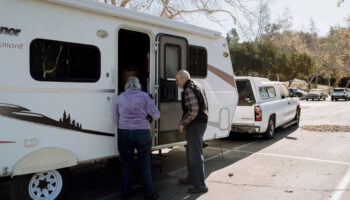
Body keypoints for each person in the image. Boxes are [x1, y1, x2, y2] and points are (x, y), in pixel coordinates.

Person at [115, 76, 160, 200]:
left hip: (124, 133)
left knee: (126, 164)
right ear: (138, 85)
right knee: (145, 164)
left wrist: (125, 125)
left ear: (126, 85)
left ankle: (126, 193)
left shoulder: (120, 97)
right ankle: (149, 194)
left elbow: (116, 120)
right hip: (142, 132)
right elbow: (156, 115)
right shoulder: (144, 96)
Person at [175, 70, 209, 193]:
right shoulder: (197, 84)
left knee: (195, 154)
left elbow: (194, 111)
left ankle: (200, 185)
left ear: (184, 78)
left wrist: (182, 123)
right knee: (191, 151)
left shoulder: (189, 89)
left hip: (196, 124)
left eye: (177, 80)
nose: (177, 83)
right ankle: (191, 178)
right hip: (201, 122)